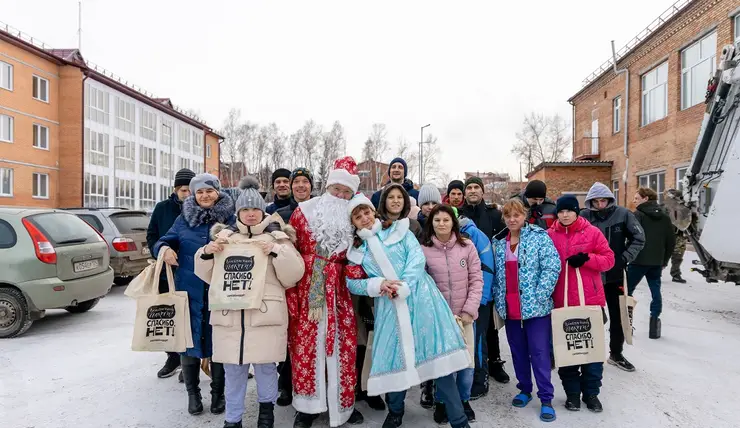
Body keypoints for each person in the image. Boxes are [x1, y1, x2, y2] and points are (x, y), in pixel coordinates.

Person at [346, 196, 472, 428]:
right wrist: (378, 284)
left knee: (440, 360)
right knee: (395, 360)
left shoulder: (398, 229)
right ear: (353, 222)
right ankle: (395, 412)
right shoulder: (356, 251)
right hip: (389, 308)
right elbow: (352, 283)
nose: (364, 218)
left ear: (374, 212)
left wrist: (403, 285)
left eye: (367, 212)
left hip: (422, 300)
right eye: (358, 216)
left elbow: (416, 258)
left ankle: (459, 420)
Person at [193, 177, 305, 428]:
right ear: (238, 212)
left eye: (255, 209)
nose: (251, 214)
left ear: (263, 211)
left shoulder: (277, 237)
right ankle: (233, 420)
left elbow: (294, 275)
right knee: (234, 372)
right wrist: (208, 253)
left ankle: (267, 415)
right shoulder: (225, 237)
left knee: (266, 370)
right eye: (245, 209)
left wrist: (276, 251)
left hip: (265, 316)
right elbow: (206, 274)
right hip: (231, 318)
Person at [287, 157, 364, 428]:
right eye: (337, 189)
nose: (341, 196)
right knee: (307, 346)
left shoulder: (356, 215)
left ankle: (342, 405)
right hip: (309, 289)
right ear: (328, 187)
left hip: (341, 292)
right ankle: (307, 407)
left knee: (342, 347)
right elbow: (290, 251)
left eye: (346, 192)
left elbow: (361, 254)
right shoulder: (304, 211)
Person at [153, 173, 236, 416]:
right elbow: (162, 240)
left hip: (220, 292)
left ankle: (218, 395)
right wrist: (165, 248)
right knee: (188, 345)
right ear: (194, 194)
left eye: (209, 191)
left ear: (217, 192)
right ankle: (193, 395)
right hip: (188, 291)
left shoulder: (231, 220)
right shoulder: (183, 219)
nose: (205, 195)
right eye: (199, 192)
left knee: (218, 344)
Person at [492, 199, 560, 422]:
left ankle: (546, 398)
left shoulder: (539, 237)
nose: (512, 219)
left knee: (539, 352)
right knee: (518, 351)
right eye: (508, 215)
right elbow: (496, 274)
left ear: (525, 215)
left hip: (536, 308)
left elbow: (552, 266)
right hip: (511, 307)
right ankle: (524, 389)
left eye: (517, 215)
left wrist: (541, 295)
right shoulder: (499, 241)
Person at [548, 194, 615, 413]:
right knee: (567, 353)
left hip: (591, 302)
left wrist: (587, 259)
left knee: (592, 353)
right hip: (562, 304)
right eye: (561, 211)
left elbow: (609, 260)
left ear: (577, 212)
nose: (565, 215)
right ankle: (573, 395)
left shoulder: (593, 233)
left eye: (569, 211)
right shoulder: (550, 235)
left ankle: (592, 394)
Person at [421, 204, 483, 424]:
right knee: (443, 365)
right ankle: (442, 401)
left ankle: (463, 401)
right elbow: (422, 285)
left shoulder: (467, 247)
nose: (441, 224)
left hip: (464, 316)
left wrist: (469, 310)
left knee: (466, 366)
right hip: (439, 319)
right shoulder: (424, 250)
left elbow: (476, 280)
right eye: (437, 220)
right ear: (431, 224)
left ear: (453, 223)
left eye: (446, 220)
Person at [581, 182, 644, 372]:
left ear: (610, 199)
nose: (600, 204)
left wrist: (624, 258)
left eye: (604, 200)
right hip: (590, 274)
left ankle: (616, 353)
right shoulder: (584, 216)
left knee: (618, 315)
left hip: (615, 274)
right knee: (589, 315)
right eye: (596, 201)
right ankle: (587, 352)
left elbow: (639, 238)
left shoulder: (623, 214)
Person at [146, 167, 194, 380]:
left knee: (192, 317)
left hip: (193, 272)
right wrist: (161, 251)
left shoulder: (200, 209)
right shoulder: (162, 208)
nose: (186, 193)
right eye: (182, 189)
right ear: (175, 189)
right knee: (170, 317)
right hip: (167, 272)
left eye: (189, 189)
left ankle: (191, 363)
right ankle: (173, 356)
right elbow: (152, 235)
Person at [461, 176, 509, 384]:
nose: (472, 191)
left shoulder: (494, 215)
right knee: (471, 326)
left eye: (476, 187)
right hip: (465, 279)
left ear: (482, 191)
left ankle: (494, 362)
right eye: (469, 188)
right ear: (464, 193)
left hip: (489, 276)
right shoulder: (458, 217)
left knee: (489, 325)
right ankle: (471, 366)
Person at [274, 167, 314, 406]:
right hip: (289, 281)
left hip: (314, 281)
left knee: (309, 336)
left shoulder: (318, 211)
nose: (300, 185)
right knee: (289, 332)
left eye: (305, 182)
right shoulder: (280, 214)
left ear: (311, 186)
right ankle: (286, 385)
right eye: (296, 182)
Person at [628, 188, 676, 339]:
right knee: (655, 291)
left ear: (645, 198)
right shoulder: (665, 216)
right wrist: (664, 260)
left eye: (637, 198)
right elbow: (671, 241)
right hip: (656, 261)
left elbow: (631, 237)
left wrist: (627, 256)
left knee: (626, 291)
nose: (634, 201)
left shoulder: (638, 215)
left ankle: (626, 323)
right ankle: (654, 323)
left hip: (638, 261)